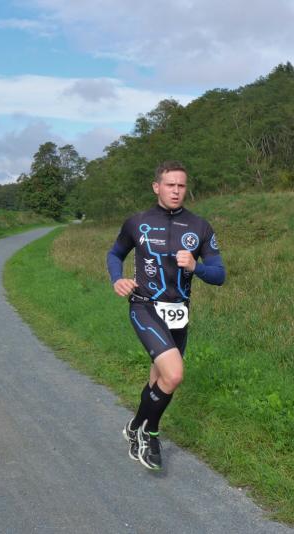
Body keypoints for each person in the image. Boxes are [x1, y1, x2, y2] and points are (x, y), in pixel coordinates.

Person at [106, 161, 225, 470]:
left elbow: (219, 275)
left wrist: (196, 267)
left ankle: (136, 426)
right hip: (144, 306)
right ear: (156, 187)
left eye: (181, 186)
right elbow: (115, 254)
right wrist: (117, 279)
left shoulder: (199, 226)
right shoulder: (137, 222)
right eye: (170, 185)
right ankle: (150, 434)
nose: (176, 191)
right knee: (173, 375)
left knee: (160, 379)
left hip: (178, 312)